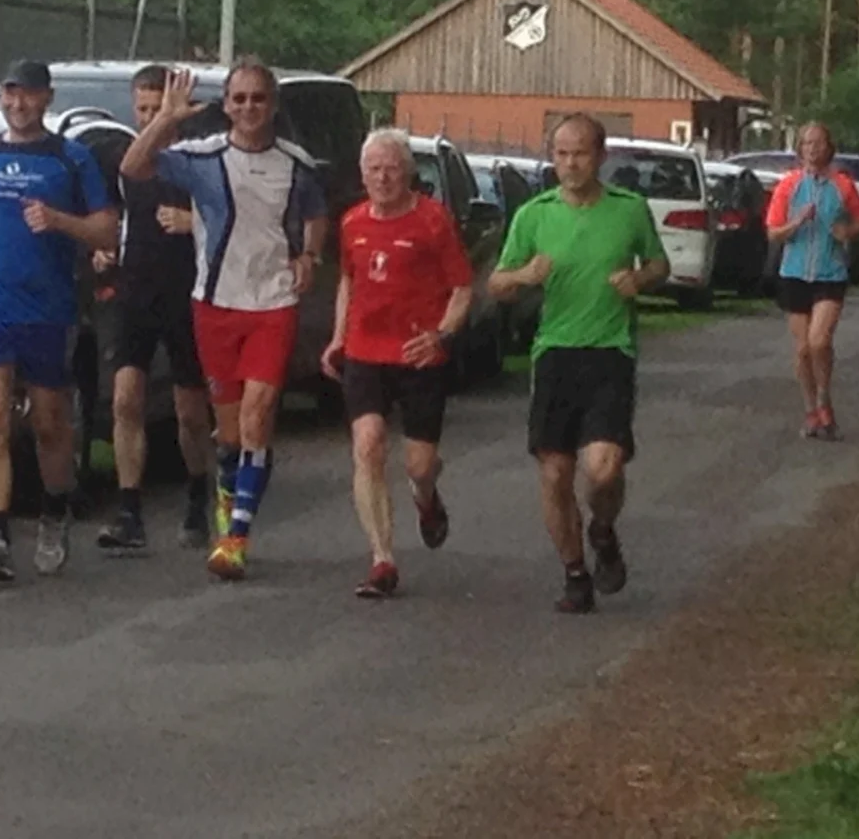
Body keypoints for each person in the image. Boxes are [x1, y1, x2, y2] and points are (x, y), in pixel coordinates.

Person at [120, 57, 328, 581]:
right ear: (227, 106)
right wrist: (166, 119)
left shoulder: (295, 163)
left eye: (258, 99)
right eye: (239, 99)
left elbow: (316, 213)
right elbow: (133, 167)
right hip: (215, 304)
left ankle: (236, 537)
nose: (249, 108)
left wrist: (310, 255)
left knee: (259, 417)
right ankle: (226, 497)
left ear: (273, 105)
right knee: (230, 433)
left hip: (273, 304)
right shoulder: (203, 156)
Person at [487, 114, 669, 614]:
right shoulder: (534, 214)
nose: (570, 164)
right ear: (552, 158)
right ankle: (574, 573)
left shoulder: (629, 210)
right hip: (555, 353)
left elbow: (659, 263)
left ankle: (603, 530)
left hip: (611, 351)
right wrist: (524, 275)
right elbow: (496, 285)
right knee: (555, 473)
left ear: (600, 157)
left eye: (581, 154)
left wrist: (640, 280)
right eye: (562, 154)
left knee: (603, 470)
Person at [0, 59, 118, 582]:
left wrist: (58, 220)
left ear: (47, 98)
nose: (17, 104)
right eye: (10, 93)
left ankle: (54, 510)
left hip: (47, 309)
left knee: (49, 422)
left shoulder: (70, 158)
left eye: (27, 94)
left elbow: (106, 231)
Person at [321, 129, 473, 598]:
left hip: (418, 354)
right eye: (374, 169)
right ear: (362, 174)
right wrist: (338, 337)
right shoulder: (352, 222)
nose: (382, 178)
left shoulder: (433, 220)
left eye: (391, 169)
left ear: (407, 172)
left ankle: (426, 499)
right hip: (365, 353)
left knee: (420, 465)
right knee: (367, 444)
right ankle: (382, 559)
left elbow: (462, 287)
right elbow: (348, 281)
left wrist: (441, 335)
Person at [93, 64, 215, 553]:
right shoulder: (128, 158)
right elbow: (112, 209)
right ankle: (129, 510)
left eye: (156, 108)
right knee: (126, 398)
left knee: (190, 411)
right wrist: (102, 250)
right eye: (142, 109)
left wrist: (194, 222)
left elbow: (231, 216)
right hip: (136, 287)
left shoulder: (197, 160)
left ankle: (198, 495)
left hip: (186, 288)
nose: (148, 117)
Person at [765, 122, 859, 440]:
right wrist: (796, 222)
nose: (812, 149)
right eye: (807, 143)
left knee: (819, 341)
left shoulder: (842, 185)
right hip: (794, 273)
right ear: (800, 148)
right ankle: (811, 411)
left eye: (818, 143)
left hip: (830, 272)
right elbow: (773, 232)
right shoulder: (789, 185)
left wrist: (848, 231)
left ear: (828, 148)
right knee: (802, 350)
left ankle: (824, 398)